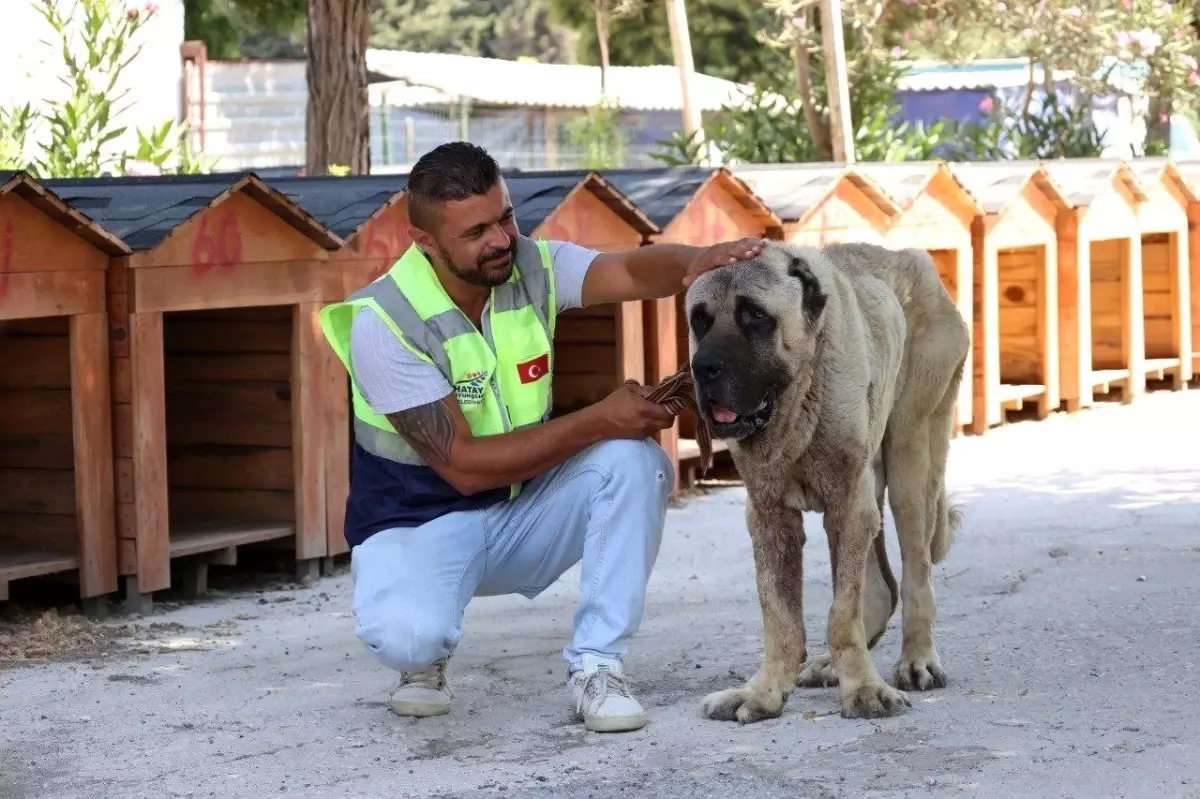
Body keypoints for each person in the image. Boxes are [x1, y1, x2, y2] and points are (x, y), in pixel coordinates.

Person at [318, 141, 763, 734]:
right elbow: (464, 466)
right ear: (426, 243)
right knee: (407, 638)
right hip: (419, 524)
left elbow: (629, 270)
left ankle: (597, 667)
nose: (502, 239)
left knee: (635, 463)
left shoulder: (532, 266)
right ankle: (425, 660)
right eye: (476, 232)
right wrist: (599, 419)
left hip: (522, 515)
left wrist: (697, 262)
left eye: (505, 216)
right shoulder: (384, 323)